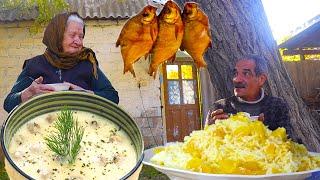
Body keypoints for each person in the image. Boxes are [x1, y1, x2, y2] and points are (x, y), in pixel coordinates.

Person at [3, 12, 119, 113]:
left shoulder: (87, 65)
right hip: (42, 130)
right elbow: (8, 104)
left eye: (81, 36)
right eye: (72, 35)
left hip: (82, 129)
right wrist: (28, 93)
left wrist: (86, 93)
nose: (78, 41)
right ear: (57, 36)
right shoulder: (35, 65)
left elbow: (113, 97)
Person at [205, 54, 296, 139]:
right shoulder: (220, 108)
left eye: (246, 74)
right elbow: (205, 147)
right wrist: (210, 132)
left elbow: (288, 144)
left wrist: (260, 132)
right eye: (236, 73)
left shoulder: (277, 106)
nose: (236, 79)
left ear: (261, 79)